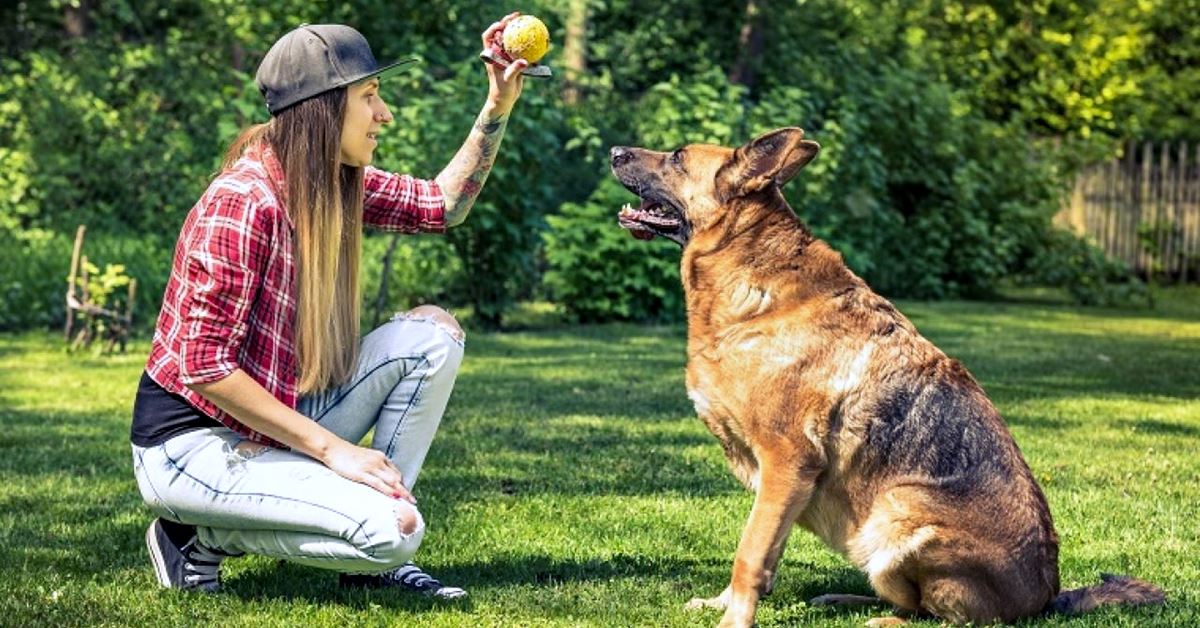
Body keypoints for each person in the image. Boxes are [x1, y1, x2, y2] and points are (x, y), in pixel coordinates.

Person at [129, 15, 531, 599]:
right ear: (322, 109)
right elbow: (204, 365)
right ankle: (197, 538)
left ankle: (373, 546)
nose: (384, 113)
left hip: (269, 419)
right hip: (191, 445)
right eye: (369, 97)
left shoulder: (332, 182)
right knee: (396, 531)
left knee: (432, 336)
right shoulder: (243, 203)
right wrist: (334, 450)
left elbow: (442, 205)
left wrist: (497, 104)